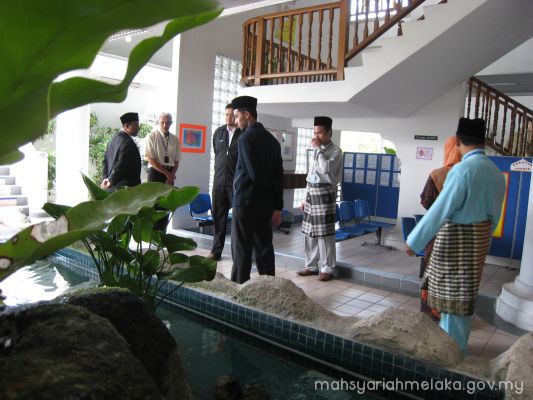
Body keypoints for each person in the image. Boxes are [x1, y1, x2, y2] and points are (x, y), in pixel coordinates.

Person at [405, 117, 506, 356]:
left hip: (455, 244)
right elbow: (494, 218)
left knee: (451, 303)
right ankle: (458, 347)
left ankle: (452, 354)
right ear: (483, 141)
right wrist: (481, 238)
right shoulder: (496, 173)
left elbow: (440, 210)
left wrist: (414, 240)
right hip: (479, 244)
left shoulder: (462, 170)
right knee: (463, 299)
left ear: (458, 141)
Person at [230, 95, 283, 284]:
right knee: (264, 249)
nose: (235, 121)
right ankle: (269, 288)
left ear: (247, 115)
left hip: (245, 202)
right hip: (265, 204)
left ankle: (239, 289)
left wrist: (269, 186)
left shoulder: (245, 138)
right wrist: (277, 205)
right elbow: (279, 176)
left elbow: (253, 173)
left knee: (241, 250)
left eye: (237, 116)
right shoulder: (273, 141)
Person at [418, 135, 461, 321]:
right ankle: (449, 315)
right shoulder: (469, 174)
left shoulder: (438, 174)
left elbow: (425, 201)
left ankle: (430, 313)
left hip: (438, 232)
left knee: (432, 271)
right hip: (460, 235)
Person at [297, 116, 343, 282]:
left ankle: (327, 268)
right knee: (309, 232)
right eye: (314, 133)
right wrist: (304, 198)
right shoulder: (317, 150)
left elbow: (325, 169)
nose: (316, 137)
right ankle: (311, 266)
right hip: (311, 193)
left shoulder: (336, 152)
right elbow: (311, 175)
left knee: (325, 234)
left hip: (325, 195)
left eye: (320, 133)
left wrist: (317, 149)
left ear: (329, 133)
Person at [208, 104, 242, 261]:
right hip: (219, 183)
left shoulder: (243, 133)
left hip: (235, 184)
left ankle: (238, 253)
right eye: (226, 114)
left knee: (238, 219)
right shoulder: (218, 132)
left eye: (232, 115)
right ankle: (216, 251)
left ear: (237, 116)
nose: (229, 118)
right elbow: (218, 153)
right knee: (218, 218)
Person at [144, 112, 181, 231]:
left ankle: (162, 233)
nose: (165, 125)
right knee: (154, 205)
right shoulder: (152, 136)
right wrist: (168, 174)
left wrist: (171, 175)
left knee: (166, 205)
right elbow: (150, 159)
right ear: (158, 122)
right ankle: (153, 235)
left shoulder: (175, 139)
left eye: (168, 122)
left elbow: (177, 160)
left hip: (170, 174)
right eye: (162, 122)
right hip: (155, 173)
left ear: (171, 123)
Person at [101, 112, 141, 192]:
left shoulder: (112, 140)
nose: (138, 128)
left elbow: (105, 162)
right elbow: (121, 164)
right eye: (136, 125)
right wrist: (111, 180)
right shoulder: (127, 142)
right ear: (127, 126)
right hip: (125, 190)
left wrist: (106, 179)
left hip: (113, 188)